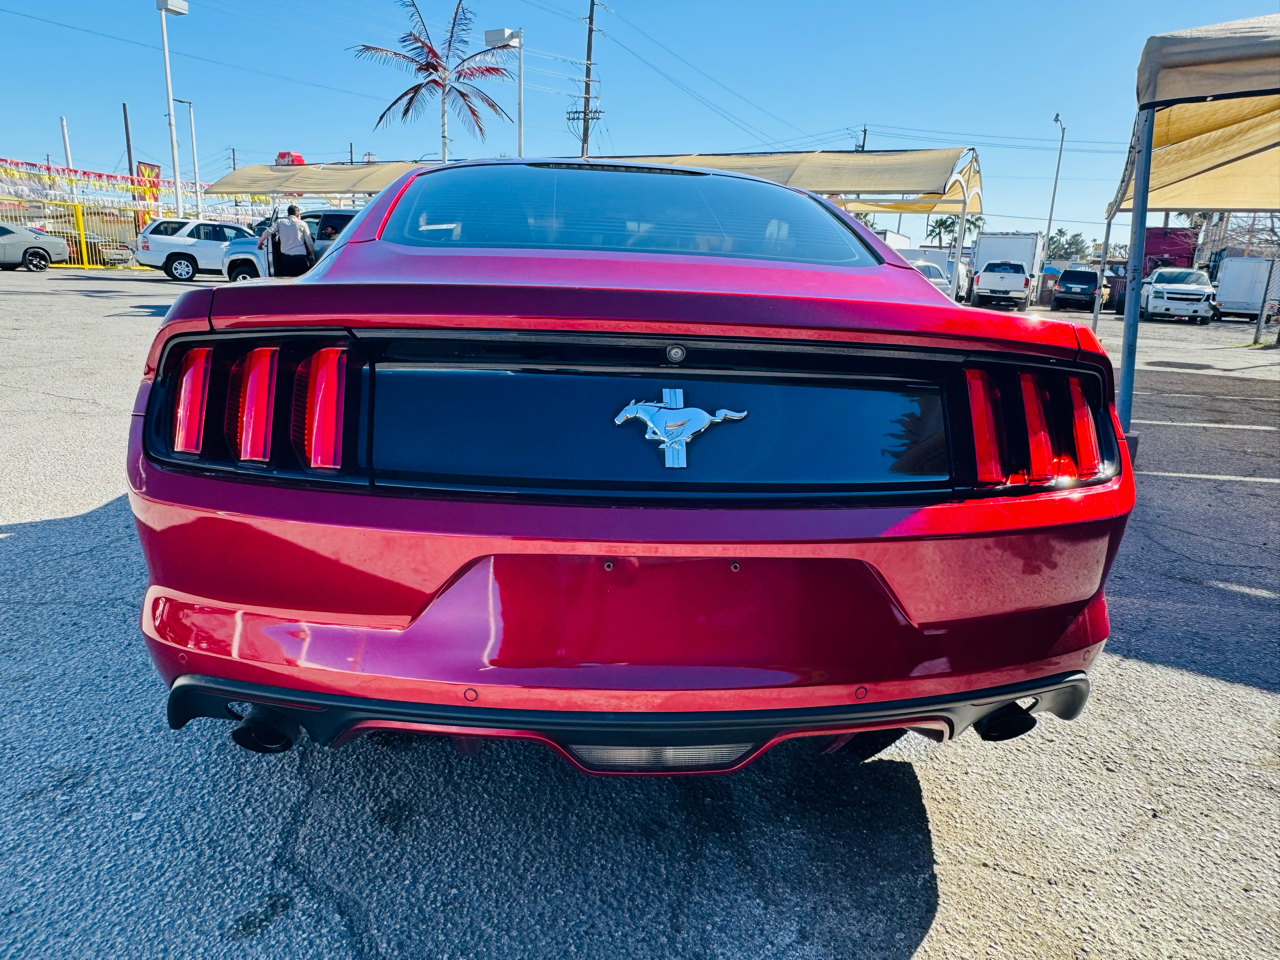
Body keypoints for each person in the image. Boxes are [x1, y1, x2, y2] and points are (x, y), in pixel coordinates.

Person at [258, 205, 314, 277]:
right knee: (301, 282)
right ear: (298, 214)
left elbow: (268, 232)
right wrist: (312, 256)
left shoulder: (280, 222)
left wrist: (259, 242)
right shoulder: (303, 224)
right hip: (300, 259)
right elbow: (309, 243)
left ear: (288, 214)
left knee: (287, 282)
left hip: (286, 260)